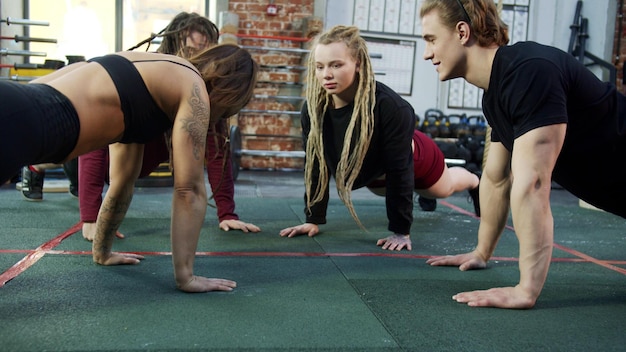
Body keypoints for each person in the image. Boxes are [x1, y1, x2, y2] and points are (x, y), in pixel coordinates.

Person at [0, 43, 259, 292]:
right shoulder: (194, 90)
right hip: (25, 121)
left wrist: (102, 252)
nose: (220, 119)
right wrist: (187, 277)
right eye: (228, 110)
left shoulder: (148, 84)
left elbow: (121, 184)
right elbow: (189, 189)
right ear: (229, 90)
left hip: (17, 105)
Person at [419, 0, 626, 309]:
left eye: (431, 39)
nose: (426, 53)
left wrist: (525, 290)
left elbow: (533, 184)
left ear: (462, 32)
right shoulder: (496, 95)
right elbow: (496, 177)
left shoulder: (530, 71)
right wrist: (482, 252)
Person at [279, 25, 480, 251]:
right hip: (375, 178)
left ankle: (474, 181)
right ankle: (421, 196)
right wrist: (312, 219)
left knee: (441, 189)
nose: (326, 74)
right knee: (390, 190)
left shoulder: (391, 107)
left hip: (416, 160)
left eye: (336, 65)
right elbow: (315, 165)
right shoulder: (313, 111)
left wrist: (401, 231)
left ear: (358, 64)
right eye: (320, 66)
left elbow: (400, 170)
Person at [79, 12, 260, 241]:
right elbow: (94, 140)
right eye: (194, 50)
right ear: (174, 45)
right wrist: (91, 217)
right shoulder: (149, 78)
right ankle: (36, 170)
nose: (200, 57)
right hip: (91, 152)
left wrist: (227, 213)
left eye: (206, 50)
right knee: (55, 154)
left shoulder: (203, 94)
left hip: (128, 168)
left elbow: (216, 151)